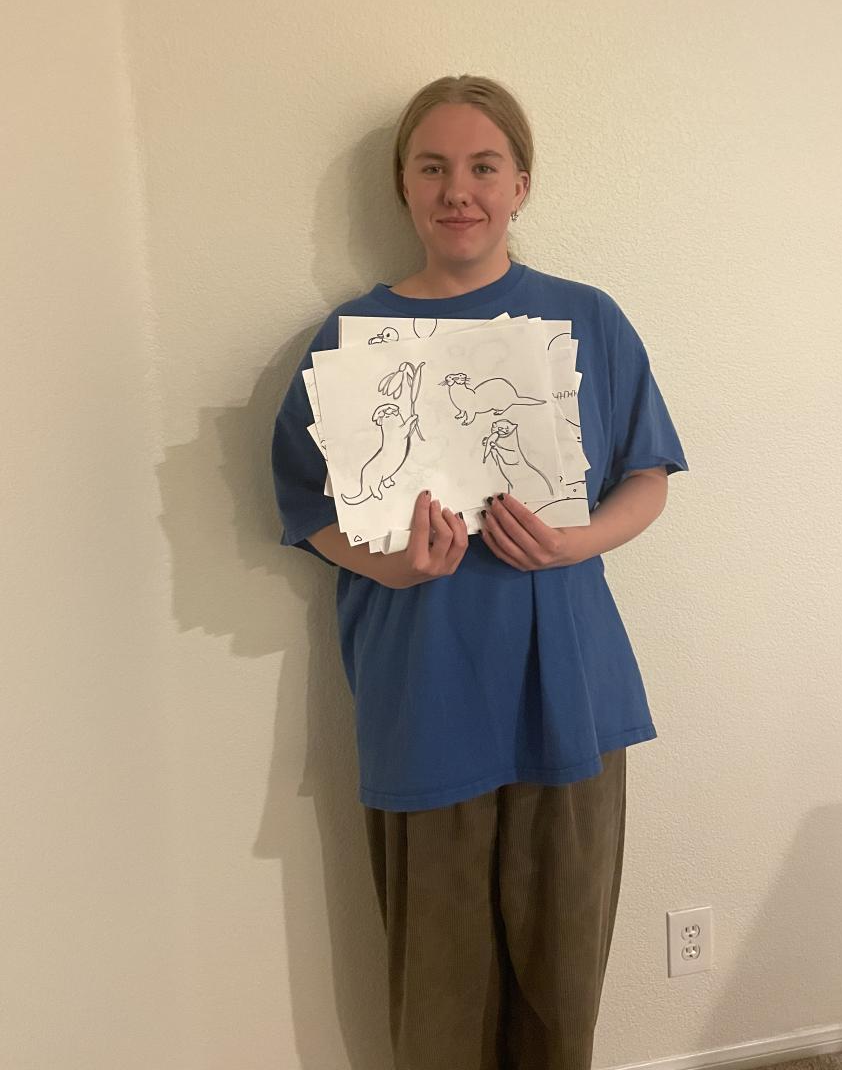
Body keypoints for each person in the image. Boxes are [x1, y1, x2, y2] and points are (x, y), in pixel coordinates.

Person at [271, 75, 688, 1070]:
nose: (458, 190)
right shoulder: (350, 342)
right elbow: (307, 508)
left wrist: (579, 540)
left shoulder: (588, 319)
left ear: (520, 185)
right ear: (403, 187)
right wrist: (389, 566)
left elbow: (648, 476)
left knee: (561, 985)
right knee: (440, 994)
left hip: (570, 693)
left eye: (483, 166)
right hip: (425, 694)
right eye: (433, 167)